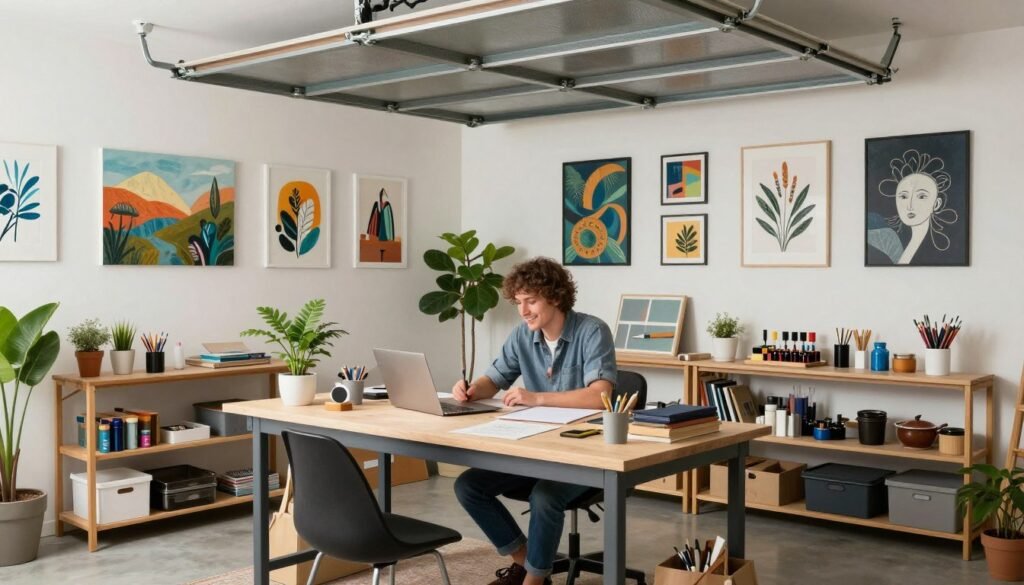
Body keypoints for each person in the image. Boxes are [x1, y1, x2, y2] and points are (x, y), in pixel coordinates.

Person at [451, 256, 617, 585]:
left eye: (531, 301)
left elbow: (601, 395)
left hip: (585, 453)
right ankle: (528, 563)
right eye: (519, 302)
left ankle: (533, 581)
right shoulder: (522, 336)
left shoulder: (592, 331)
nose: (523, 310)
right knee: (468, 486)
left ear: (555, 297)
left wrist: (537, 397)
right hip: (534, 451)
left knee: (545, 496)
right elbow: (493, 379)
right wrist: (471, 390)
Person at [867, 148, 960, 265]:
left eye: (921, 197)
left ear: (936, 204)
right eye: (904, 197)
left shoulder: (945, 250)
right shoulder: (887, 237)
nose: (910, 206)